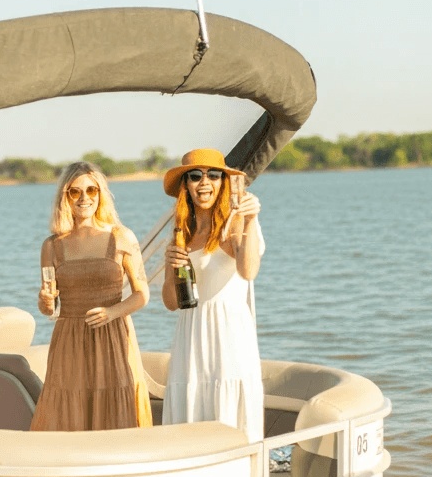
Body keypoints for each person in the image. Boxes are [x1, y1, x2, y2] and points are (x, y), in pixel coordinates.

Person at [31, 161, 153, 431]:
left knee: (118, 409)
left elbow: (142, 294)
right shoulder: (51, 246)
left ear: (101, 194)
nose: (84, 198)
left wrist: (113, 312)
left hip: (113, 335)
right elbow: (48, 307)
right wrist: (46, 301)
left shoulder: (122, 236)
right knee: (69, 412)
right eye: (75, 192)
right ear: (65, 197)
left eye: (91, 190)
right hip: (69, 340)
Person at [160, 149, 265, 442]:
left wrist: (252, 219)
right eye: (195, 176)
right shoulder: (182, 233)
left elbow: (249, 271)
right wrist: (171, 267)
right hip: (191, 334)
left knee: (229, 410)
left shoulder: (234, 224)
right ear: (186, 186)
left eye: (213, 175)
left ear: (222, 183)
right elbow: (171, 303)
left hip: (228, 332)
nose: (204, 182)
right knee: (192, 405)